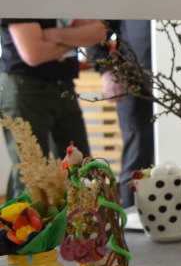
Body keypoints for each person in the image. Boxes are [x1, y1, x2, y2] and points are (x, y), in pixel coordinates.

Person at [2, 17, 105, 196]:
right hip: (26, 86)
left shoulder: (65, 1)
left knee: (79, 165)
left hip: (64, 85)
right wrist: (75, 38)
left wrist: (50, 36)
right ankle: (27, 215)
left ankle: (79, 214)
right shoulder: (21, 2)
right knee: (32, 173)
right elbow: (34, 54)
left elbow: (99, 32)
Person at [88, 20, 154, 206]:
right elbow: (95, 33)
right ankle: (130, 220)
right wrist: (107, 70)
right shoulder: (127, 1)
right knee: (136, 162)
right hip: (133, 86)